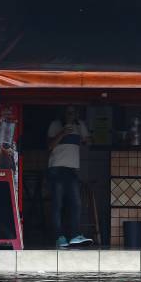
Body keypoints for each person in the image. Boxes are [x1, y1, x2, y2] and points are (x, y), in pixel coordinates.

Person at [47, 106, 93, 248]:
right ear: (63, 113)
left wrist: (86, 138)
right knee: (57, 205)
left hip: (72, 169)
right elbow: (49, 146)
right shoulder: (55, 124)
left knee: (76, 204)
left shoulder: (80, 125)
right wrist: (62, 132)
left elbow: (89, 143)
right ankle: (59, 237)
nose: (70, 115)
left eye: (73, 112)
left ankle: (74, 235)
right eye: (68, 112)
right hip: (57, 168)